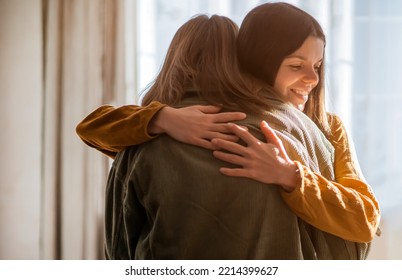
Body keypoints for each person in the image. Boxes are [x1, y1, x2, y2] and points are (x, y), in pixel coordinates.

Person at [76, 3, 380, 259]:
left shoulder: (328, 127)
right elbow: (91, 126)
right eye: (296, 65)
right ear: (261, 62)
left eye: (318, 65)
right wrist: (163, 118)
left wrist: (290, 175)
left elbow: (366, 218)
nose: (312, 79)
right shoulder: (190, 121)